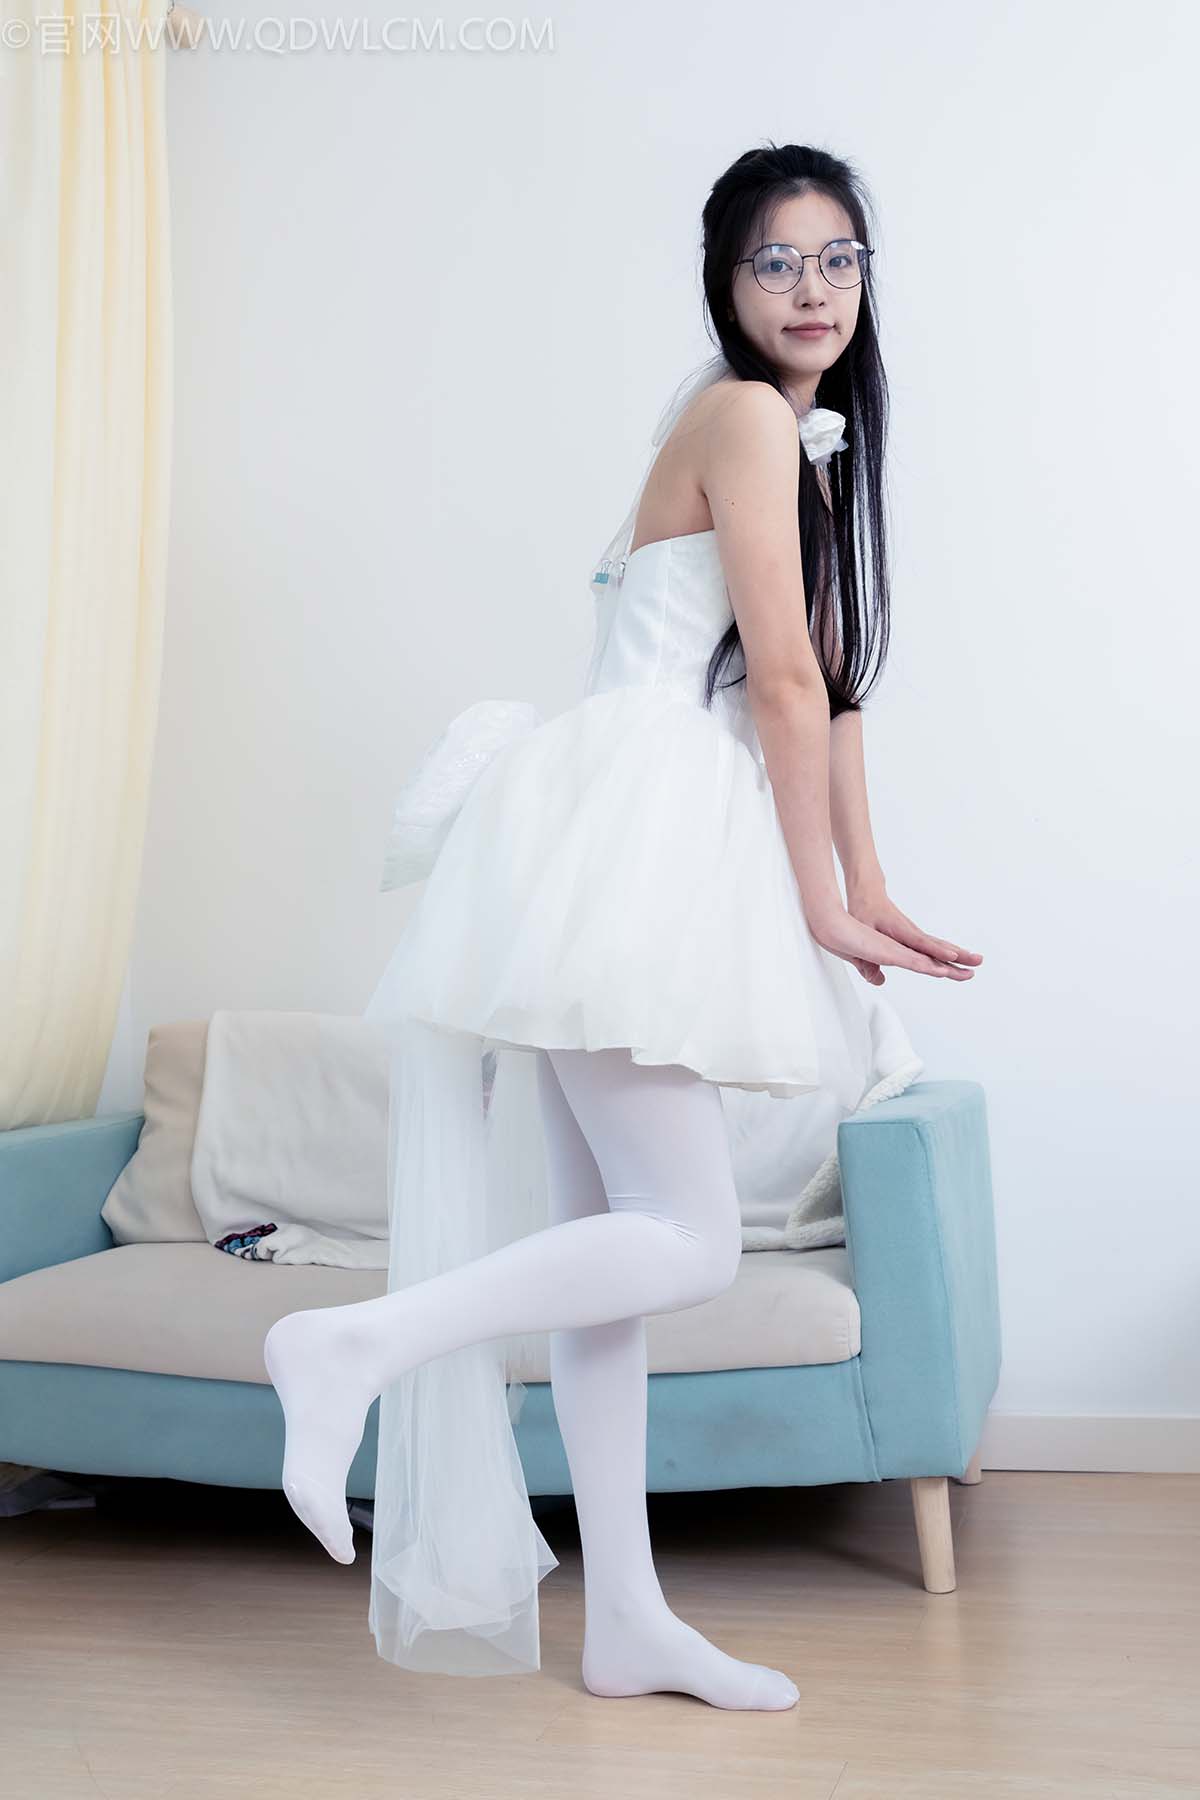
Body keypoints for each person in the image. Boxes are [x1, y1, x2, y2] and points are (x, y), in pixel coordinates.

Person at [263, 141, 983, 1710]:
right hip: (635, 823)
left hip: (633, 831)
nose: (813, 289)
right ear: (727, 283)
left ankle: (629, 1622)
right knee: (689, 1237)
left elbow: (833, 691)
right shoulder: (740, 415)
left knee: (619, 1262)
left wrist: (865, 889)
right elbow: (776, 682)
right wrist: (818, 899)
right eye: (777, 261)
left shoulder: (801, 443)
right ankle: (349, 1346)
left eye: (839, 258)